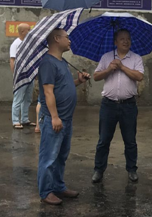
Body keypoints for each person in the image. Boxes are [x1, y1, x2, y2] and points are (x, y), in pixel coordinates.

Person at [38, 28, 90, 205]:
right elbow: (48, 92)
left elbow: (63, 86)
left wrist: (79, 81)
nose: (70, 41)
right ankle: (46, 192)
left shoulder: (63, 62)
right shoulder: (48, 63)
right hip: (54, 119)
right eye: (67, 37)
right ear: (56, 39)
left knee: (61, 156)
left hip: (66, 119)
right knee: (49, 157)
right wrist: (54, 117)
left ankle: (58, 186)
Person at [91, 29, 144, 184]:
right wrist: (109, 69)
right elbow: (96, 76)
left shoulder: (136, 58)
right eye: (122, 39)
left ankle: (132, 169)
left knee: (130, 140)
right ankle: (98, 169)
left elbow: (139, 76)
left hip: (128, 105)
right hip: (108, 105)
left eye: (128, 39)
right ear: (115, 42)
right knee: (103, 140)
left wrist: (122, 67)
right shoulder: (107, 57)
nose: (125, 41)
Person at [10, 23, 35, 129]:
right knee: (18, 98)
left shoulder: (28, 43)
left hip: (29, 75)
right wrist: (15, 74)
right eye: (28, 30)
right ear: (22, 31)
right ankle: (15, 121)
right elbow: (12, 60)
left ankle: (24, 119)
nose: (30, 31)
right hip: (20, 75)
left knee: (28, 98)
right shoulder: (16, 44)